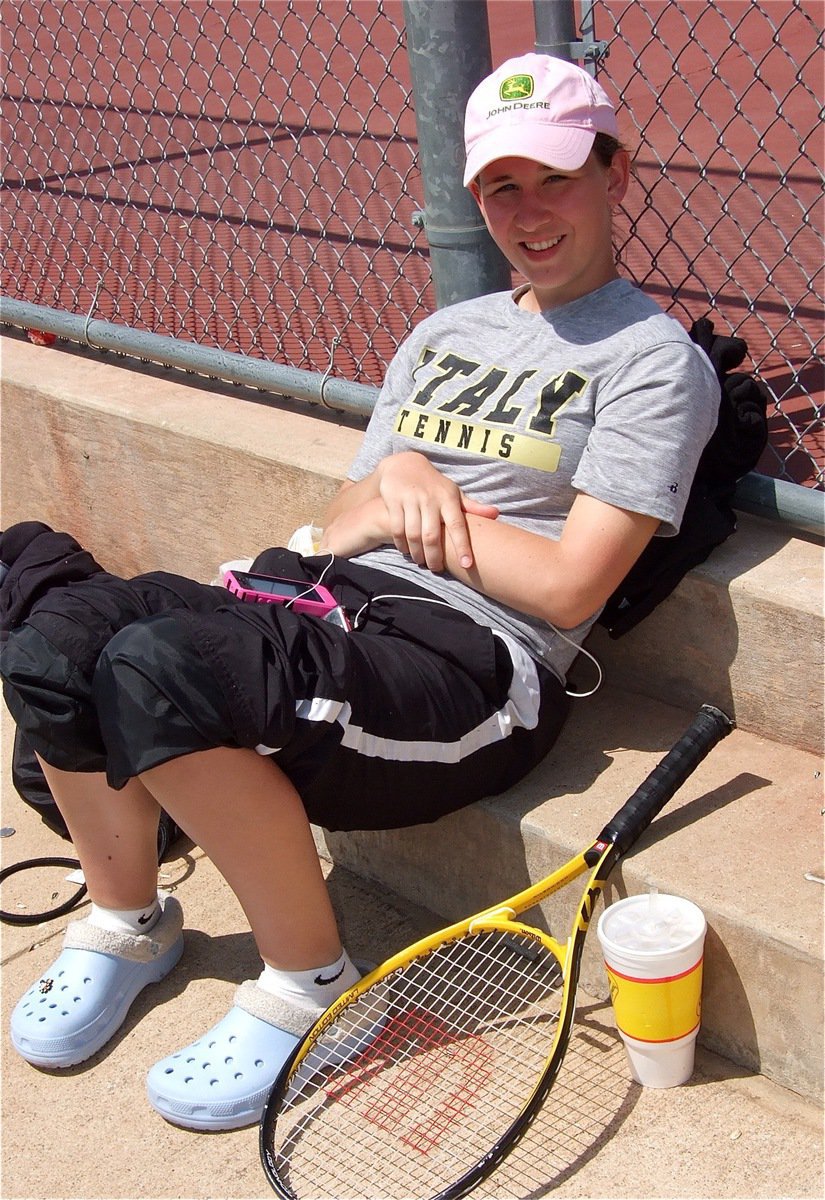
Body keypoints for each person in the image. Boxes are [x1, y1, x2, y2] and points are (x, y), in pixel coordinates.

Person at [0, 53, 719, 1133]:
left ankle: (306, 980)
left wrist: (414, 498)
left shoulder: (653, 361)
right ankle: (128, 918)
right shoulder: (442, 334)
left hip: (467, 662)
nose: (528, 212)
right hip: (322, 594)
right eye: (500, 187)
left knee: (158, 672)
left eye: (557, 176)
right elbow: (342, 526)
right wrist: (385, 492)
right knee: (54, 635)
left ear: (616, 169)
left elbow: (569, 587)